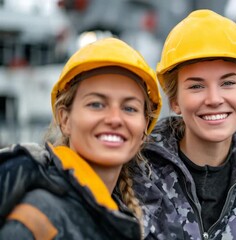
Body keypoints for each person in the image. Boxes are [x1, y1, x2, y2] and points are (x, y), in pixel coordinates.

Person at [132, 9, 236, 240]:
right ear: (175, 101)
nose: (213, 99)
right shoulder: (133, 174)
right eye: (196, 86)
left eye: (228, 83)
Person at [0, 37, 162, 239]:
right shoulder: (40, 218)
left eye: (129, 108)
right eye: (96, 104)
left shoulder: (118, 217)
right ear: (65, 119)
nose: (114, 119)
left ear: (144, 130)